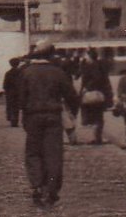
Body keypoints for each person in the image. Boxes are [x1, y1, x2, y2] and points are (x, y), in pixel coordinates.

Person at [15, 40, 80, 207]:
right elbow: (71, 95)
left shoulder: (26, 72)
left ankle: (37, 185)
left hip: (33, 116)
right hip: (53, 116)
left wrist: (23, 115)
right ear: (51, 54)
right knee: (53, 153)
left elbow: (20, 97)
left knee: (33, 152)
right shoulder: (58, 72)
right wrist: (73, 113)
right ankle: (51, 189)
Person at [77, 50, 114, 145]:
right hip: (98, 94)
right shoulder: (96, 65)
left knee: (95, 117)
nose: (84, 58)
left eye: (86, 56)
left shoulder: (93, 66)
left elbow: (96, 79)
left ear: (90, 56)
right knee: (97, 117)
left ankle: (96, 138)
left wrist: (86, 88)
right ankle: (97, 137)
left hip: (94, 95)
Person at [2, 57, 25, 127]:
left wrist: (6, 90)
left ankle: (12, 119)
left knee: (11, 105)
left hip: (10, 92)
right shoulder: (22, 73)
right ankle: (16, 119)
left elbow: (5, 84)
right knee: (17, 106)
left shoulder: (8, 73)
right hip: (19, 91)